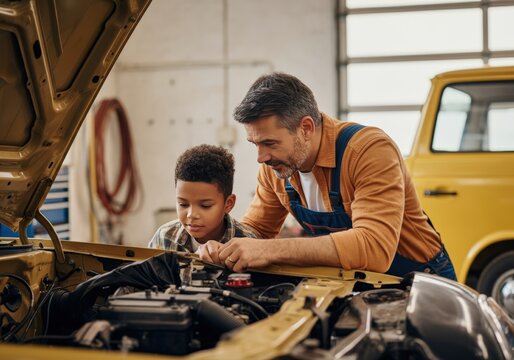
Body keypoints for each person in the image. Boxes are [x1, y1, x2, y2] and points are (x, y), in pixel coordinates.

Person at [197, 72, 457, 280]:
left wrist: (268, 250)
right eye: (255, 144)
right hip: (357, 283)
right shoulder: (275, 168)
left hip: (419, 283)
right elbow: (256, 232)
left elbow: (374, 248)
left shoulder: (368, 150)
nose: (261, 157)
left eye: (270, 143)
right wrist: (222, 247)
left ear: (306, 128)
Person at [148, 144, 257, 252]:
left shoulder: (248, 245)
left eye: (205, 206)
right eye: (183, 204)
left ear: (228, 204)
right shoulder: (164, 237)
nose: (191, 214)